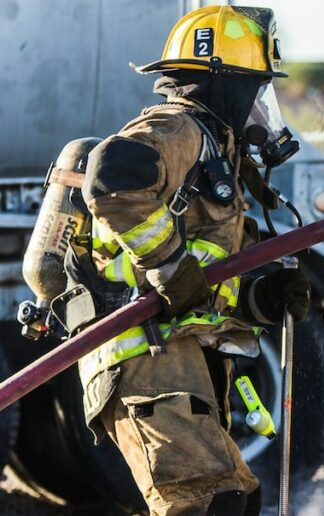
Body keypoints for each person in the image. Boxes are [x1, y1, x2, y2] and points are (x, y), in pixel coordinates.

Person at [73, 6, 308, 514]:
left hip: (177, 354)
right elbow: (112, 178)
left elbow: (205, 282)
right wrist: (171, 269)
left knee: (238, 499)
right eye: (255, 91)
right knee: (204, 504)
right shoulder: (178, 127)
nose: (261, 111)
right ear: (224, 85)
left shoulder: (218, 156)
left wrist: (259, 298)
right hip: (141, 354)